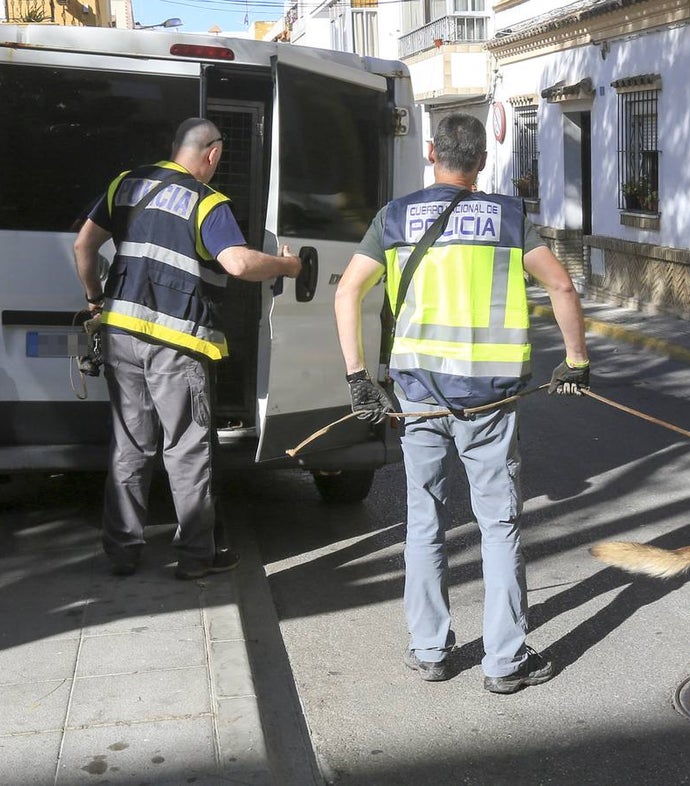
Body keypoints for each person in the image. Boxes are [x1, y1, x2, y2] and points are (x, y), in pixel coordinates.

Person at [334, 113, 590, 694]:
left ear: (431, 153)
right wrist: (575, 360)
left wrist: (357, 377)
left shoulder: (394, 217)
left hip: (419, 396)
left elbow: (348, 291)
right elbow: (562, 285)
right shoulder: (508, 217)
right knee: (497, 525)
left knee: (423, 519)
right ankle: (504, 662)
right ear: (480, 162)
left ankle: (429, 650)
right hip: (490, 401)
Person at [73, 118, 301, 579]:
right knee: (186, 449)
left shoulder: (126, 183)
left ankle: (122, 552)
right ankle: (197, 556)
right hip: (176, 345)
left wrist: (96, 299)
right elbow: (237, 263)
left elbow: (84, 245)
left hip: (120, 336)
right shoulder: (207, 202)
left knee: (129, 446)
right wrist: (289, 266)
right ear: (212, 154)